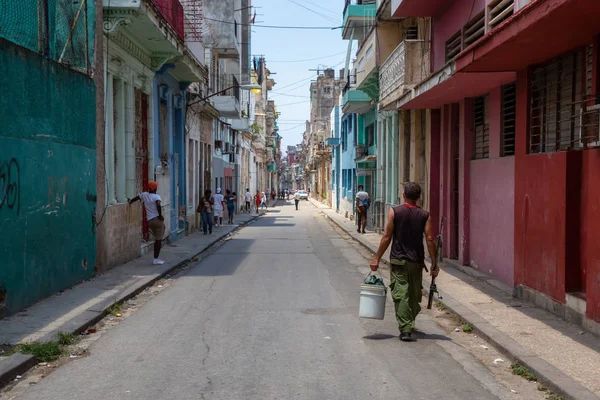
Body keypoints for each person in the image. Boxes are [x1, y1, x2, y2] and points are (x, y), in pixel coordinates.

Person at [369, 182, 438, 342]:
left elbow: (387, 236)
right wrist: (434, 262)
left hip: (399, 260)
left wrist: (377, 258)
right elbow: (429, 239)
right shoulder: (425, 214)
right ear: (419, 197)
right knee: (413, 294)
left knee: (402, 295)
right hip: (417, 262)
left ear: (403, 195)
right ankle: (407, 325)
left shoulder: (394, 211)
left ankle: (406, 328)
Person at [128, 182, 165, 265]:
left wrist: (130, 201)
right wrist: (160, 215)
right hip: (157, 220)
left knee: (157, 237)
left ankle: (156, 256)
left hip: (150, 221)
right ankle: (156, 259)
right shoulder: (156, 197)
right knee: (158, 240)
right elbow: (158, 205)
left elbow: (136, 198)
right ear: (155, 188)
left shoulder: (144, 195)